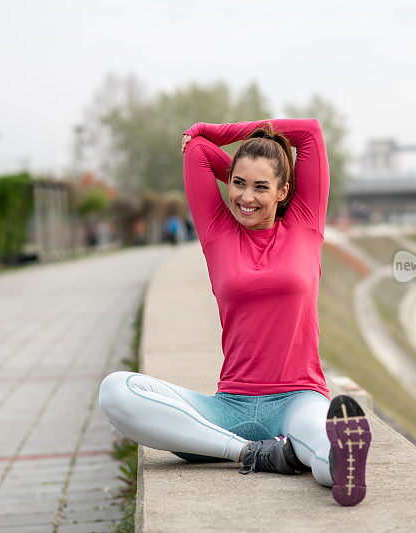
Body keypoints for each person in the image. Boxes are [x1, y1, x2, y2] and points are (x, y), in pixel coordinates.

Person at [98, 118, 371, 506]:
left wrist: (223, 132)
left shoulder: (306, 224)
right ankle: (247, 453)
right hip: (229, 408)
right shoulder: (217, 232)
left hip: (299, 397)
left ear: (284, 191)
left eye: (262, 187)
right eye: (238, 183)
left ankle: (334, 461)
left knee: (329, 458)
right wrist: (225, 147)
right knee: (116, 391)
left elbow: (309, 132)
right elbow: (195, 151)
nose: (246, 197)